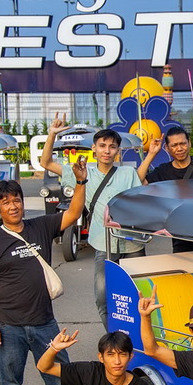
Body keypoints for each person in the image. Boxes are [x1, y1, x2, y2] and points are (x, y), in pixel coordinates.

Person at [0, 157, 87, 385]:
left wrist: (80, 182)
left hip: (44, 322)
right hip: (8, 326)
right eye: (6, 203)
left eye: (17, 200)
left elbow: (74, 212)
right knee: (12, 383)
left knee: (59, 375)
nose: (13, 206)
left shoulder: (41, 227)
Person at [39, 118, 145, 329]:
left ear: (118, 151)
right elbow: (46, 163)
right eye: (102, 146)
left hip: (133, 244)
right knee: (103, 298)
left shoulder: (128, 173)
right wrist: (52, 134)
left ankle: (138, 340)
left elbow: (139, 203)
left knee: (138, 298)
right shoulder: (81, 172)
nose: (107, 150)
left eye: (112, 146)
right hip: (103, 244)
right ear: (94, 149)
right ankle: (114, 339)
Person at [139, 125, 193, 253]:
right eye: (174, 145)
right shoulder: (163, 171)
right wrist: (151, 154)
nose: (179, 148)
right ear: (167, 148)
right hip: (181, 236)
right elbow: (140, 182)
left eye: (183, 144)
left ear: (189, 143)